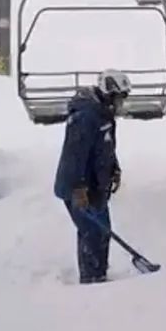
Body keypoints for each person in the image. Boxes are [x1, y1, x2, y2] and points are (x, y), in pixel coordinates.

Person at [53, 69, 132, 284]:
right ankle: (91, 281)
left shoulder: (104, 116)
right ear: (108, 94)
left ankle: (100, 274)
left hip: (96, 186)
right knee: (90, 232)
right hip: (78, 187)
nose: (120, 105)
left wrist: (114, 169)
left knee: (103, 231)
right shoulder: (85, 117)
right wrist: (78, 188)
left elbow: (105, 148)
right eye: (118, 99)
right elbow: (73, 156)